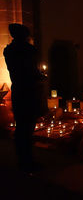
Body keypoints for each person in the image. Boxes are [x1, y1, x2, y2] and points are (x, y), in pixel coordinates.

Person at [3, 23, 47, 173]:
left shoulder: (8, 50)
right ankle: (27, 161)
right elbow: (30, 71)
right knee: (27, 127)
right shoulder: (27, 50)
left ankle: (22, 159)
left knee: (21, 126)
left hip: (18, 90)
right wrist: (40, 76)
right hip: (28, 91)